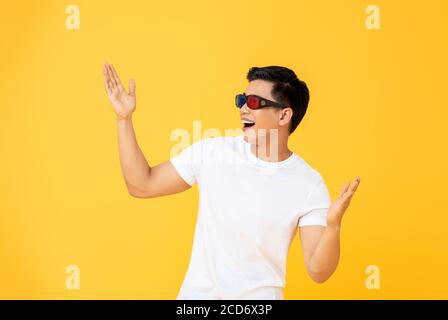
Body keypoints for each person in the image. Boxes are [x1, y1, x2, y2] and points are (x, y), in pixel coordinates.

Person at [102, 63, 361, 299]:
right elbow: (141, 185)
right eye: (241, 100)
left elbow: (318, 271)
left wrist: (333, 226)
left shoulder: (308, 184)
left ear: (283, 116)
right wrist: (123, 119)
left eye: (254, 102)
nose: (243, 108)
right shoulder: (213, 153)